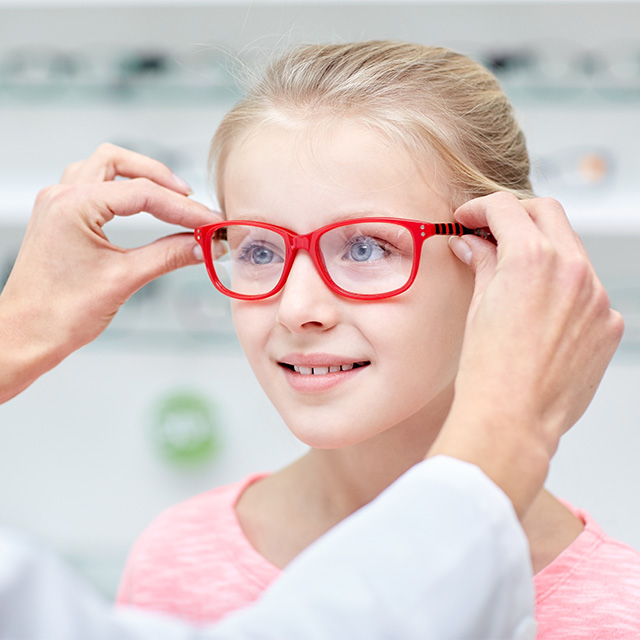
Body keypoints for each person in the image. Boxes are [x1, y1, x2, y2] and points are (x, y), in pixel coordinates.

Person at [0, 121, 622, 636]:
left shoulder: (616, 605)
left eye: (367, 247)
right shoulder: (178, 554)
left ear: (506, 264)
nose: (297, 309)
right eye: (259, 250)